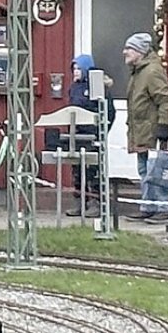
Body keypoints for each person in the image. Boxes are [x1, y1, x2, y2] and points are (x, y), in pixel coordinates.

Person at [121, 32, 168, 222]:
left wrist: (163, 127)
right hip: (141, 130)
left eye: (129, 48)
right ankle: (148, 206)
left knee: (157, 170)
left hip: (152, 131)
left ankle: (164, 207)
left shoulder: (152, 71)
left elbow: (165, 100)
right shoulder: (139, 72)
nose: (125, 52)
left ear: (140, 51)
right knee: (145, 170)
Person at [66, 53, 114, 217]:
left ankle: (96, 203)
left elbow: (108, 111)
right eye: (74, 69)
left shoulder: (97, 85)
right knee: (77, 170)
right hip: (77, 134)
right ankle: (80, 202)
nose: (76, 72)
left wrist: (102, 130)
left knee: (94, 170)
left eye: (79, 68)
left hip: (93, 135)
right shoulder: (73, 87)